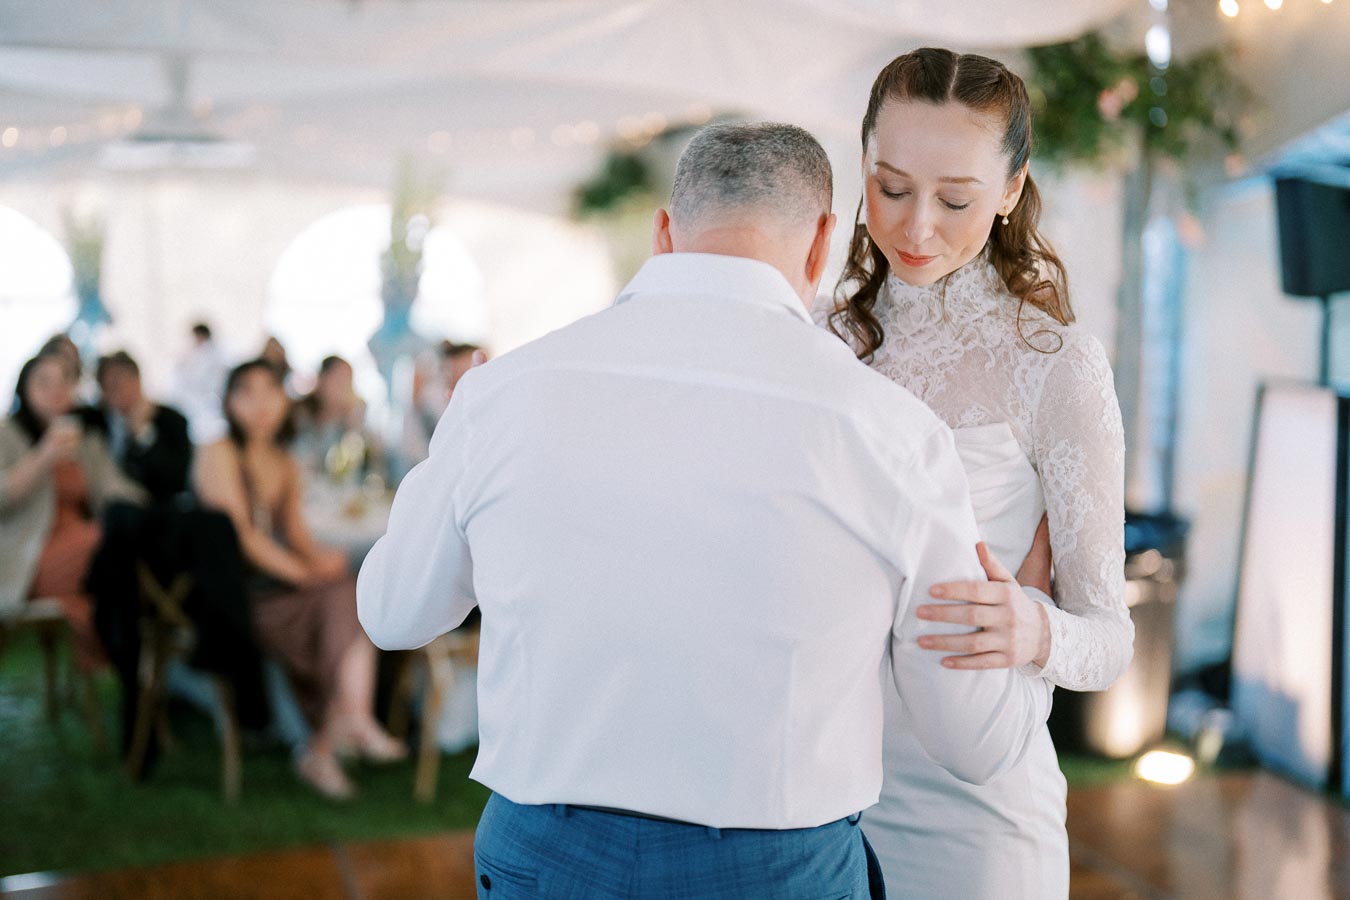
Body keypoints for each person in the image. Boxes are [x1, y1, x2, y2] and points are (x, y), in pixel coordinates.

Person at [358, 123, 1050, 898]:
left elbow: (393, 614)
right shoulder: (890, 431)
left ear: (664, 232)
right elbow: (972, 740)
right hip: (775, 868)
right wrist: (1031, 625)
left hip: (546, 856)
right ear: (823, 244)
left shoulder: (502, 393)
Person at [817, 48, 1133, 899]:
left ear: (1011, 189)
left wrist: (1034, 630)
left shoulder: (1055, 363)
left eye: (955, 198)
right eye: (891, 188)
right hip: (815, 799)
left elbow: (1110, 639)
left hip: (975, 820)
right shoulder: (817, 342)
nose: (918, 227)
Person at [193, 360, 405, 800]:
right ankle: (348, 728)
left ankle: (330, 741)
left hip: (281, 587)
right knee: (339, 603)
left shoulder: (283, 461)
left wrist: (324, 561)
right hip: (236, 596)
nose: (261, 405)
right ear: (229, 402)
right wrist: (306, 573)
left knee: (347, 593)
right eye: (246, 393)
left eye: (271, 392)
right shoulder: (218, 453)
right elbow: (243, 538)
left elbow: (294, 534)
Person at [0, 352, 145, 668]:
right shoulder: (6, 434)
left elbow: (115, 489)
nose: (56, 390)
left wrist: (150, 513)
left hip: (85, 541)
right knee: (113, 548)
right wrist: (45, 454)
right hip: (29, 551)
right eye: (44, 382)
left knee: (123, 545)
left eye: (64, 381)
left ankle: (133, 648)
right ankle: (133, 652)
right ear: (24, 388)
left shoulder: (84, 439)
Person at [95, 351, 193, 504]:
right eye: (108, 386)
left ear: (137, 380)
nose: (116, 391)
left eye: (121, 382)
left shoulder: (172, 420)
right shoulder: (97, 422)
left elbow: (176, 479)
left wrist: (142, 433)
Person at [292, 355, 385, 484]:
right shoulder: (299, 418)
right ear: (322, 380)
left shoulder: (350, 425)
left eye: (349, 380)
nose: (345, 388)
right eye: (339, 379)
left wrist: (354, 428)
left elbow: (369, 468)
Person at [172, 322, 230, 444]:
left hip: (207, 405)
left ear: (199, 335)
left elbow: (199, 380)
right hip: (198, 406)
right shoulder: (199, 354)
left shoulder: (210, 355)